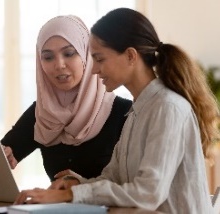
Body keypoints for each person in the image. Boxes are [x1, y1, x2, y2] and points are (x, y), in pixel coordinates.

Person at [13, 8, 220, 213]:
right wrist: (77, 185)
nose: (93, 69)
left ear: (130, 56)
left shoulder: (167, 108)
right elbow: (113, 177)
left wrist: (69, 195)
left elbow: (149, 193)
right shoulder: (137, 111)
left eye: (100, 59)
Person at [1, 15, 132, 181]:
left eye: (69, 53)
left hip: (112, 207)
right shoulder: (42, 112)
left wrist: (81, 188)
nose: (59, 65)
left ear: (87, 55)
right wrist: (2, 156)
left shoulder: (125, 113)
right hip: (56, 207)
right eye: (48, 57)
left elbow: (135, 185)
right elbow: (5, 152)